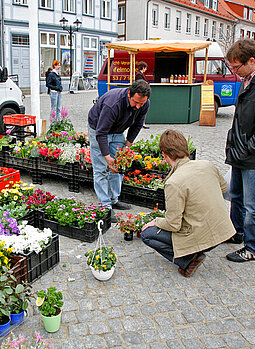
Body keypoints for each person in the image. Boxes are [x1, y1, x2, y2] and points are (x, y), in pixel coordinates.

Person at [141, 130, 235, 277]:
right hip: (223, 231)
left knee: (147, 234)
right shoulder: (207, 164)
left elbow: (173, 225)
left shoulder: (174, 182)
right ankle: (192, 253)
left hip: (202, 236)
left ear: (164, 155)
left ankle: (188, 259)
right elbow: (223, 188)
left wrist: (156, 221)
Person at [224, 38, 255, 262]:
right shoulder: (247, 78)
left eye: (236, 67)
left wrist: (250, 147)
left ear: (252, 60)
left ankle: (253, 247)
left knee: (253, 204)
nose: (234, 71)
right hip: (240, 151)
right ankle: (237, 232)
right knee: (236, 196)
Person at [87, 80, 151, 219]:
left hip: (118, 131)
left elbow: (138, 124)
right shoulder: (113, 103)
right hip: (98, 129)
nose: (139, 106)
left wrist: (127, 146)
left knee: (119, 166)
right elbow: (101, 132)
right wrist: (107, 157)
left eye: (142, 103)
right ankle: (105, 207)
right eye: (136, 102)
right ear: (129, 94)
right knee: (101, 168)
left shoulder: (144, 103)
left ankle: (113, 199)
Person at [135, 62, 150, 129]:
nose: (146, 69)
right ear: (143, 67)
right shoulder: (139, 75)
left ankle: (142, 123)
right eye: (145, 68)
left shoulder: (140, 74)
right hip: (141, 94)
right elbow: (141, 83)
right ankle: (142, 123)